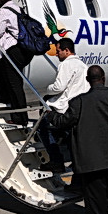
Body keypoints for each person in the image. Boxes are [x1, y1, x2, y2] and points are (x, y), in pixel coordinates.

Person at [46, 65, 108, 214]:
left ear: (87, 81)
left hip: (89, 159)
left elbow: (63, 121)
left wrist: (50, 114)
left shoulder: (79, 102)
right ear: (104, 78)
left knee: (94, 196)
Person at [38, 38, 90, 172]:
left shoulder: (66, 64)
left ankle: (56, 161)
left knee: (43, 127)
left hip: (64, 107)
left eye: (59, 50)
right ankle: (77, 162)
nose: (56, 54)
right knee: (70, 136)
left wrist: (47, 89)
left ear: (67, 51)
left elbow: (59, 87)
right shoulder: (83, 66)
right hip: (77, 108)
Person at [0, 0, 32, 125]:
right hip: (25, 50)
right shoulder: (18, 8)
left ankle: (20, 118)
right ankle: (19, 114)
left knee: (14, 84)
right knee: (16, 83)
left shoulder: (3, 11)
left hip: (13, 50)